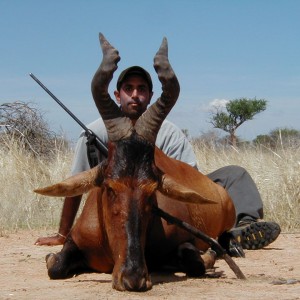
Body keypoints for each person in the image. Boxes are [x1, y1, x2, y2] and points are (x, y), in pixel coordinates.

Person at [35, 66, 281, 255]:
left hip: (173, 197)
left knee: (235, 174)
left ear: (151, 95)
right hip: (120, 209)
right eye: (128, 88)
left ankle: (242, 225)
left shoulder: (169, 132)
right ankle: (221, 236)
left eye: (142, 89)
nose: (135, 95)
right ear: (116, 94)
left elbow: (189, 177)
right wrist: (62, 234)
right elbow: (75, 184)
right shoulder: (94, 133)